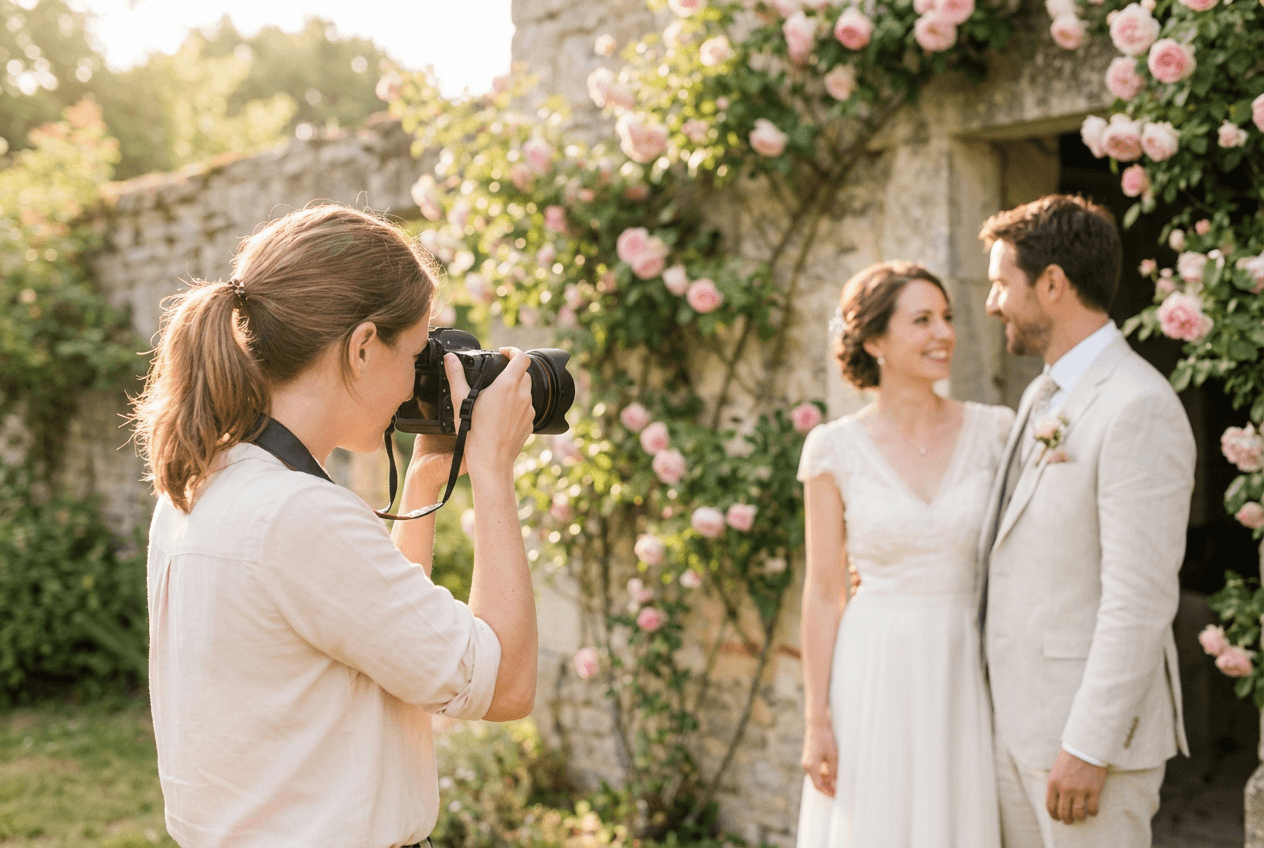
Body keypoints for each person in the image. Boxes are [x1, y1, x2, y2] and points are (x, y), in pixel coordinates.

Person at [131, 204, 539, 848]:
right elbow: (506, 682)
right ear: (361, 347)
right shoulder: (299, 514)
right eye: (413, 353)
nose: (415, 381)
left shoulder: (209, 485)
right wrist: (491, 470)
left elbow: (388, 641)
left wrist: (426, 480)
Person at [978, 194, 1195, 848]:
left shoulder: (1137, 407)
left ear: (1052, 284)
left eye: (999, 283)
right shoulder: (1039, 394)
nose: (991, 303)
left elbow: (1140, 599)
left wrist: (1087, 746)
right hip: (1019, 731)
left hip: (1085, 747)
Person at [796, 260, 1013, 847]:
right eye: (922, 320)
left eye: (946, 317)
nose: (944, 333)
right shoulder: (833, 449)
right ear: (874, 341)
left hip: (966, 664)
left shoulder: (997, 432)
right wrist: (817, 722)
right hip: (873, 668)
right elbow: (822, 591)